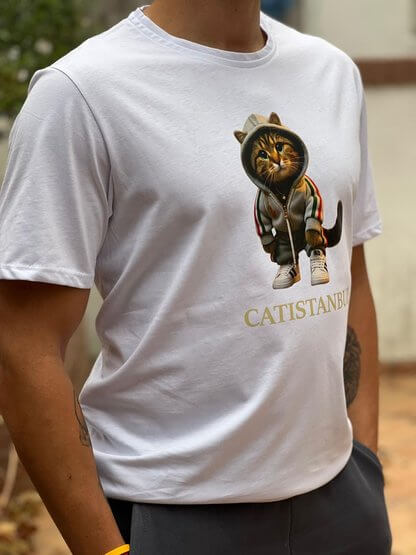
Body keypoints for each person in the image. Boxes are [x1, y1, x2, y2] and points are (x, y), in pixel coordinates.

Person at [0, 1, 393, 553]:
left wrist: (364, 460)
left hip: (341, 504)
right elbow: (24, 344)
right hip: (174, 510)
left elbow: (352, 273)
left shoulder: (332, 73)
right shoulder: (81, 93)